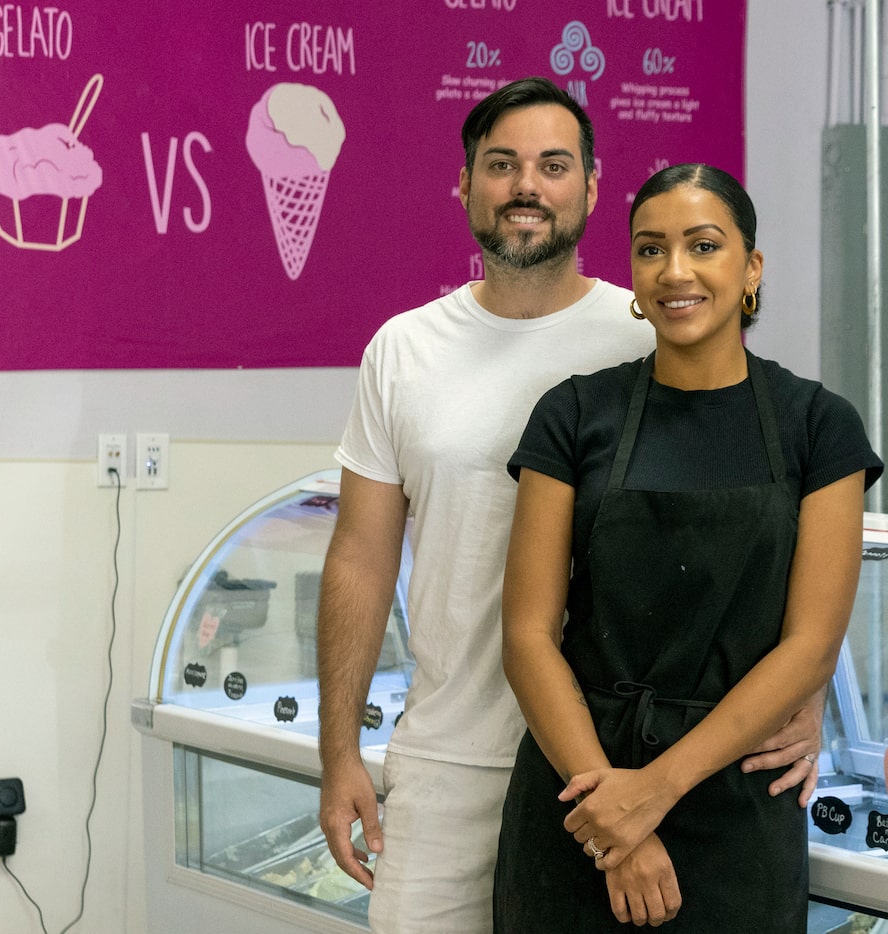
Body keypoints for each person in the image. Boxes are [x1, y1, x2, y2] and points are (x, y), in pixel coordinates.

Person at [316, 79, 828, 933]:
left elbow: (758, 535)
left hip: (628, 770)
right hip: (447, 758)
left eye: (553, 166)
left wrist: (804, 692)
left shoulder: (657, 332)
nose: (526, 185)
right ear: (465, 184)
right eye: (501, 164)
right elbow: (360, 559)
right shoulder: (403, 350)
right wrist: (338, 754)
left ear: (591, 190)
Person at [494, 163, 884, 931]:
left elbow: (809, 647)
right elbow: (526, 635)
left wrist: (654, 792)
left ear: (750, 268)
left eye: (703, 246)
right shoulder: (573, 415)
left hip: (731, 797)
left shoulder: (817, 427)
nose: (675, 271)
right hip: (578, 792)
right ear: (634, 278)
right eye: (650, 250)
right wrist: (611, 813)